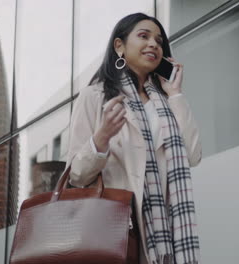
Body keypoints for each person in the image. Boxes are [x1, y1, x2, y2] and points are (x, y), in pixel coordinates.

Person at [65, 13, 202, 264]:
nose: (153, 44)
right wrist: (102, 137)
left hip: (170, 235)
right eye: (143, 36)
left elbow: (192, 156)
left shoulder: (169, 102)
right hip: (118, 231)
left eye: (159, 41)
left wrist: (176, 94)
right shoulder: (95, 97)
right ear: (120, 46)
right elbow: (76, 175)